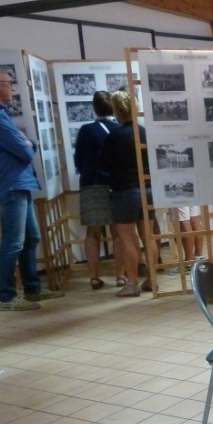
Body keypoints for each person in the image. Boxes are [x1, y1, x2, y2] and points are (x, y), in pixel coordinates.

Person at [0, 67, 64, 311]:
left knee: (31, 237)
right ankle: (7, 297)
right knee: (13, 242)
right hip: (11, 183)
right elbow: (24, 150)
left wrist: (26, 142)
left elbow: (23, 146)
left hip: (18, 182)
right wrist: (29, 142)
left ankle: (32, 289)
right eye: (9, 83)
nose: (12, 87)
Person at [98, 91, 148, 297]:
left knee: (127, 238)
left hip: (124, 190)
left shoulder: (115, 136)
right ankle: (152, 279)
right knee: (148, 236)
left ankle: (132, 283)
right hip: (147, 188)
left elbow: (105, 164)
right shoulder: (144, 132)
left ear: (117, 111)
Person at [73, 91, 121, 289]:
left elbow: (79, 161)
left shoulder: (86, 130)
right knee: (118, 233)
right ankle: (121, 276)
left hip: (91, 183)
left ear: (94, 108)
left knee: (92, 233)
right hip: (117, 185)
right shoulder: (120, 129)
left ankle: (93, 276)